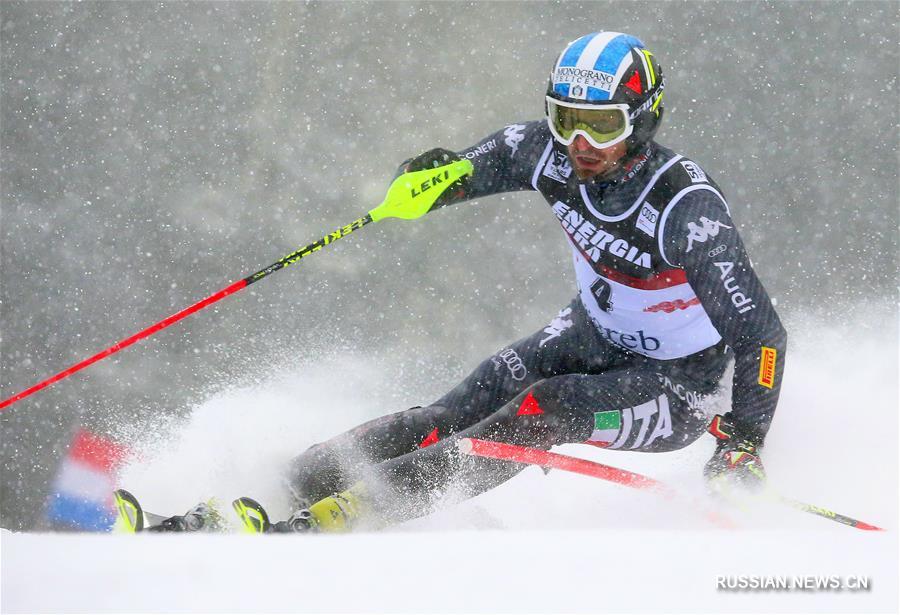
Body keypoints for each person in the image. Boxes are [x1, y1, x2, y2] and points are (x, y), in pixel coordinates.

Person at [160, 31, 787, 533]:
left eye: (601, 125)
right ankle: (276, 489)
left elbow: (761, 334)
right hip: (593, 332)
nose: (579, 143)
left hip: (680, 384)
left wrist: (744, 443)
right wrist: (433, 181)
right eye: (566, 118)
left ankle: (354, 514)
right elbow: (472, 170)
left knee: (542, 411)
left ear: (643, 120)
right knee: (450, 411)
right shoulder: (546, 151)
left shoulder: (686, 209)